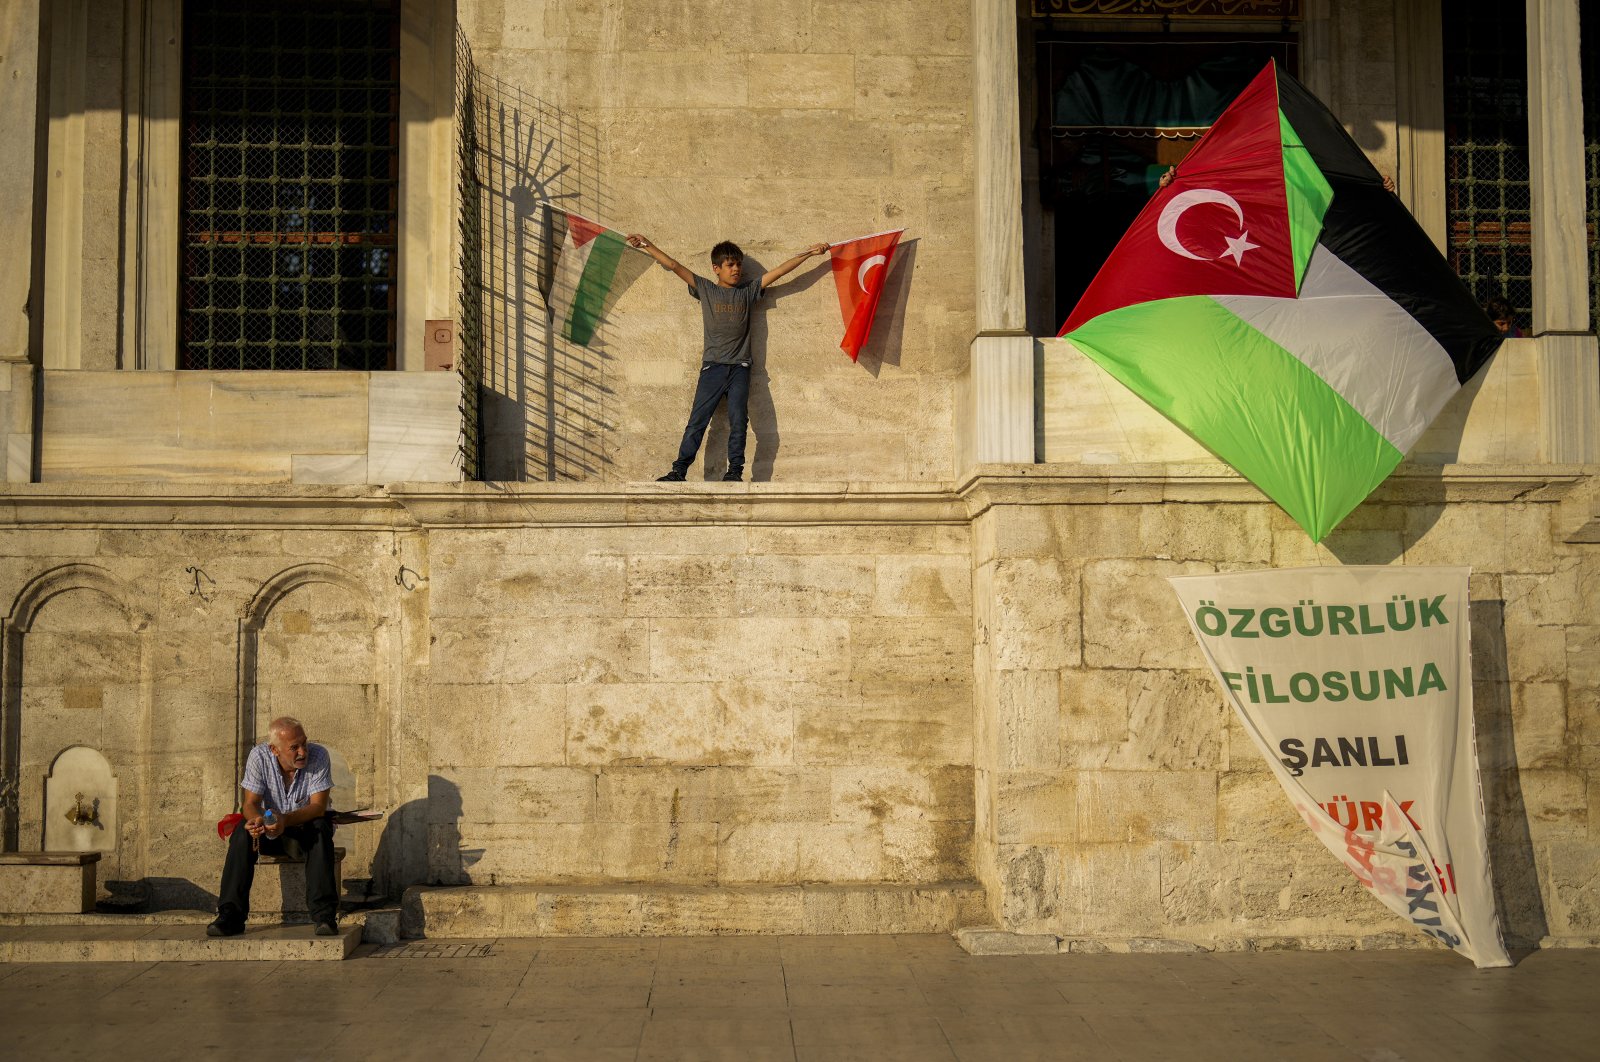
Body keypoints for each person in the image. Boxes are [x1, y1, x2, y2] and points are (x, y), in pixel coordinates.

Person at [625, 234, 830, 482]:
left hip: (740, 369)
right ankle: (678, 471)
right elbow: (674, 265)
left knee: (739, 421)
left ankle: (734, 472)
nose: (736, 270)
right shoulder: (707, 289)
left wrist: (810, 253)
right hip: (712, 368)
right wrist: (646, 244)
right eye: (730, 265)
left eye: (738, 265)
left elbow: (779, 272)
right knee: (697, 421)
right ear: (716, 268)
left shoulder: (748, 291)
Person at [207, 716, 339, 937]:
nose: (303, 752)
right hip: (268, 833)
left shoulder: (319, 756)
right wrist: (256, 821)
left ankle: (324, 916)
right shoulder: (259, 756)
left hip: (302, 831)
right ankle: (230, 916)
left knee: (320, 826)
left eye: (304, 744)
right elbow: (250, 804)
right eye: (294, 748)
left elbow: (317, 807)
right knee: (242, 832)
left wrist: (285, 820)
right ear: (275, 750)